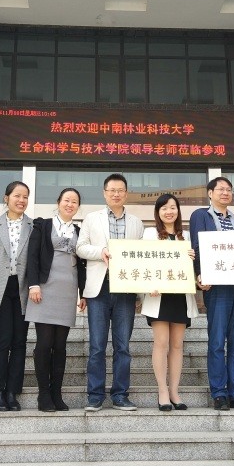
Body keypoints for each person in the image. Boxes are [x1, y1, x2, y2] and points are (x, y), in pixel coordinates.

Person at [190, 176, 234, 411]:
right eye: (220, 189)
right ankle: (219, 393)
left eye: (229, 189)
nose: (225, 193)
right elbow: (197, 246)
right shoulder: (201, 216)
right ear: (210, 193)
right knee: (217, 341)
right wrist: (199, 274)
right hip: (217, 287)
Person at [76, 173, 144, 411]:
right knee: (97, 345)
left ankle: (120, 395)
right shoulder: (91, 218)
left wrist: (140, 293)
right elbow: (80, 247)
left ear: (126, 193)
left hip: (125, 288)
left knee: (122, 346)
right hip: (99, 288)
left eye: (120, 190)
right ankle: (95, 395)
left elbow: (141, 258)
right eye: (112, 190)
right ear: (104, 193)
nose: (116, 194)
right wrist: (100, 251)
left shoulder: (136, 223)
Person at [25, 187, 87, 412]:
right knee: (44, 344)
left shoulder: (80, 231)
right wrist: (33, 284)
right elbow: (32, 255)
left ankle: (56, 394)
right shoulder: (43, 225)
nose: (70, 204)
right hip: (44, 288)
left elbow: (83, 265)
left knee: (60, 346)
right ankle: (43, 394)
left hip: (68, 290)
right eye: (67, 200)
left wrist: (83, 292)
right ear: (58, 202)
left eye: (74, 201)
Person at [141, 193, 198, 411]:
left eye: (173, 207)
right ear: (158, 212)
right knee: (161, 343)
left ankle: (174, 391)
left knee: (177, 345)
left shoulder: (187, 237)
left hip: (181, 296)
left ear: (178, 211)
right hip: (159, 296)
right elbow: (142, 263)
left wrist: (193, 260)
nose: (169, 211)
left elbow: (193, 271)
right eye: (164, 208)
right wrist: (148, 285)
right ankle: (162, 391)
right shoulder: (150, 234)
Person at [0, 181, 34, 412]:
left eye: (25, 197)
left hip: (23, 287)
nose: (21, 200)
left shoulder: (34, 226)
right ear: (6, 198)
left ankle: (13, 391)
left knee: (20, 341)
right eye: (17, 196)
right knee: (3, 339)